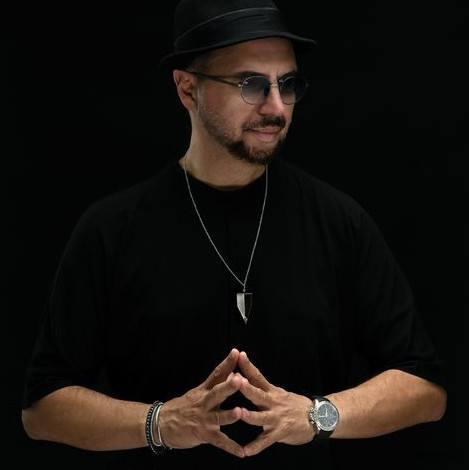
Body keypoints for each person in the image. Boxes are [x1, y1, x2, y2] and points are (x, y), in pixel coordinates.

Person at [21, 0, 448, 468]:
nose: (277, 107)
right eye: (251, 85)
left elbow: (425, 389)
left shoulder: (340, 222)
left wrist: (316, 415)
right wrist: (159, 423)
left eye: (288, 84)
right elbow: (42, 410)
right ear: (187, 89)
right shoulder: (111, 229)